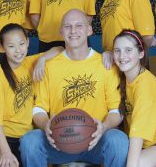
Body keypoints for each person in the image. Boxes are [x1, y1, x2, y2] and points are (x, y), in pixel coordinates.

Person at [20, 9, 128, 167]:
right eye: (68, 26)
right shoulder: (48, 65)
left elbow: (116, 111)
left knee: (118, 140)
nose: (73, 31)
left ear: (89, 30)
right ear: (61, 32)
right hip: (59, 141)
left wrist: (103, 127)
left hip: (95, 142)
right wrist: (46, 125)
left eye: (79, 25)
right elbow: (39, 109)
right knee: (30, 141)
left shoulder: (106, 64)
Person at [0, 23, 62, 167]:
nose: (18, 50)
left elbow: (60, 49)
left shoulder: (30, 63)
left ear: (28, 42)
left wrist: (43, 59)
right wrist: (5, 152)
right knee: (9, 164)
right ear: (2, 48)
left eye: (21, 44)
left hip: (28, 137)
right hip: (3, 140)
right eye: (11, 46)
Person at [112, 29, 156, 167]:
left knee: (137, 163)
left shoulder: (145, 84)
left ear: (141, 53)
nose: (122, 56)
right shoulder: (124, 77)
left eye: (128, 50)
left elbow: (137, 134)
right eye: (117, 50)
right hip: (145, 145)